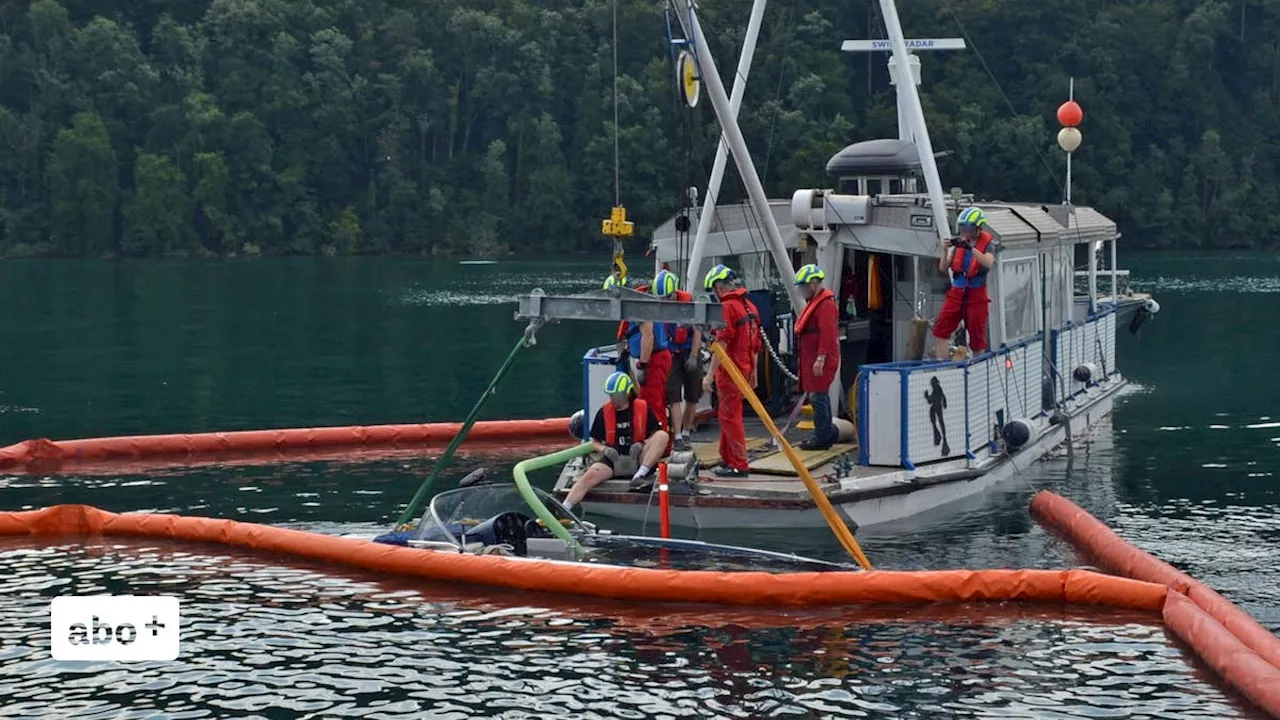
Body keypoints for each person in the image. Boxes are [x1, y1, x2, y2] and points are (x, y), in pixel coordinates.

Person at [562, 372, 671, 509]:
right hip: (614, 459)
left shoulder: (642, 408)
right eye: (610, 395)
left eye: (615, 395)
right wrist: (604, 449)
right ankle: (564, 508)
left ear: (626, 394)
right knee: (589, 476)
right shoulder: (604, 412)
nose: (612, 399)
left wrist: (642, 443)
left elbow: (655, 434)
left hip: (638, 457)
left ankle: (640, 475)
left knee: (662, 435)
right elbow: (594, 442)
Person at [701, 264, 762, 478]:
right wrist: (754, 372)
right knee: (728, 414)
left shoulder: (728, 308)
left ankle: (738, 463)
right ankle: (728, 458)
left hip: (730, 371)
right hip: (745, 367)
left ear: (718, 287)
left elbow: (722, 344)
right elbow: (755, 343)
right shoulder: (749, 306)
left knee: (730, 417)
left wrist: (708, 376)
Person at [932, 206, 997, 359]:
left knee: (977, 337)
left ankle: (977, 367)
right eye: (962, 227)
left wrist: (972, 249)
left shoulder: (988, 244)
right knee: (941, 330)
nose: (964, 231)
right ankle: (943, 366)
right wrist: (945, 250)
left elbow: (988, 263)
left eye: (968, 227)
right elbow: (943, 267)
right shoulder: (959, 246)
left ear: (978, 227)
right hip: (956, 292)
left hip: (977, 293)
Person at [792, 264, 841, 450]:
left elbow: (827, 334)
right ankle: (827, 433)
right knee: (818, 396)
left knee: (819, 396)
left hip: (820, 357)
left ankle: (822, 436)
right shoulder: (817, 302)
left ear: (813, 284)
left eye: (803, 287)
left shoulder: (825, 305)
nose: (802, 291)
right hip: (811, 356)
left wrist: (820, 358)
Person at [653, 269, 702, 450]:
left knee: (692, 395)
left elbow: (697, 330)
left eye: (667, 298)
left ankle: (687, 431)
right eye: (662, 299)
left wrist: (694, 356)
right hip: (672, 353)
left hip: (689, 351)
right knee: (673, 395)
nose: (665, 302)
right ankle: (678, 435)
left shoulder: (688, 303)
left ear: (675, 292)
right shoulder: (658, 307)